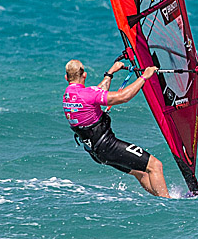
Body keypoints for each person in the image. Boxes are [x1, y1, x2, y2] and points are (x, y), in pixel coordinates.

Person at [62, 58, 169, 197]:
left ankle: (162, 199)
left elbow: (97, 92)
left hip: (96, 152)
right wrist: (144, 76)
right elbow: (123, 97)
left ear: (66, 77)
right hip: (108, 146)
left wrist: (111, 72)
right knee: (155, 166)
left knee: (140, 172)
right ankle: (169, 204)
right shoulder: (88, 94)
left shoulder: (68, 95)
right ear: (85, 75)